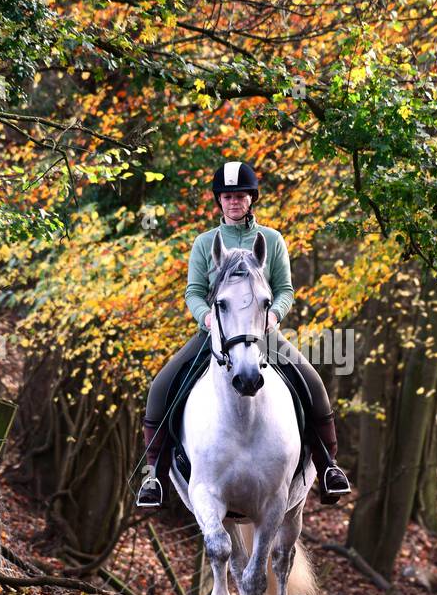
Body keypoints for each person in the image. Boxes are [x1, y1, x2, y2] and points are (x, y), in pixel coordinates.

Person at [137, 159, 351, 507]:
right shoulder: (205, 243)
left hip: (263, 332)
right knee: (161, 385)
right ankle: (154, 477)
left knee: (313, 382)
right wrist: (206, 317)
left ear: (251, 198)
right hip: (215, 333)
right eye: (227, 196)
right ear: (218, 201)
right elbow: (193, 291)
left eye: (240, 196)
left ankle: (329, 467)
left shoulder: (271, 240)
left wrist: (275, 315)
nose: (233, 202)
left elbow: (284, 289)